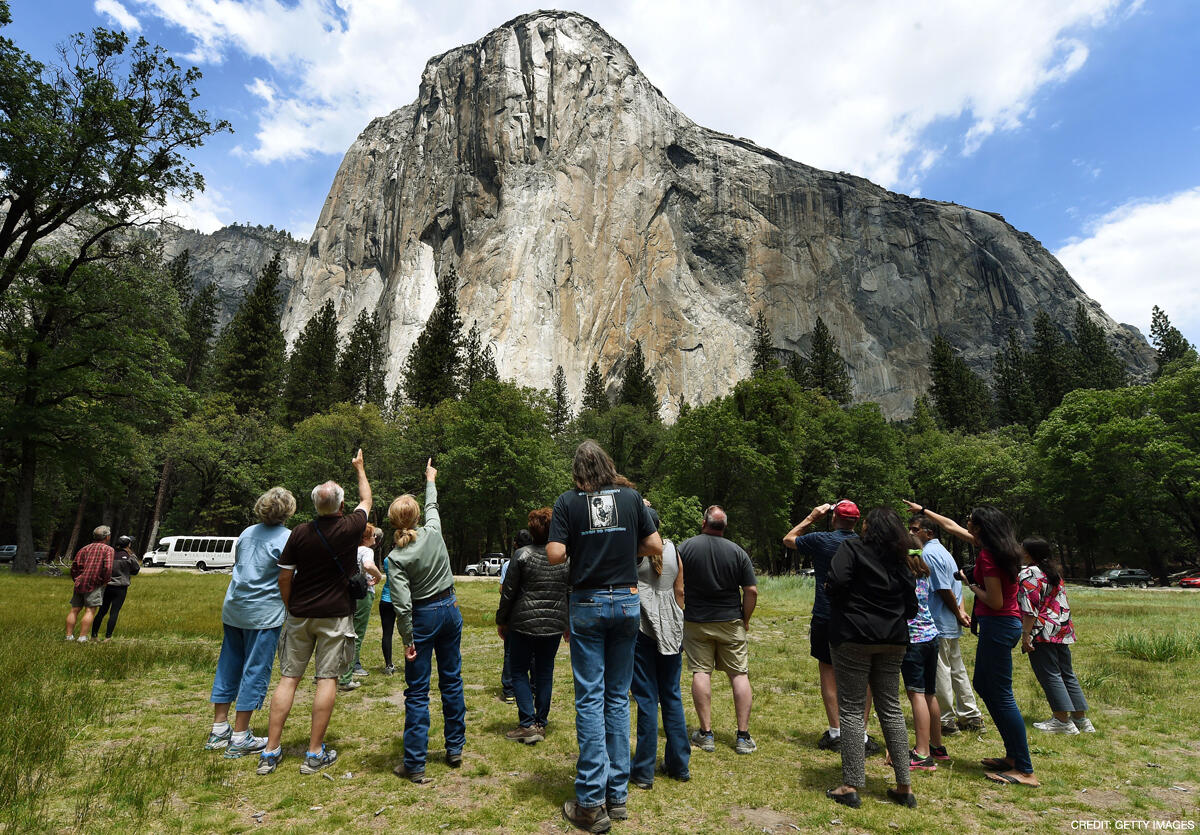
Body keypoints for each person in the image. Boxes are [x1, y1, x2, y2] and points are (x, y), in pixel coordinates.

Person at [548, 440, 661, 833]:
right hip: (626, 601)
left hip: (588, 602)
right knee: (617, 697)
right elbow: (655, 544)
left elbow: (555, 554)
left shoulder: (568, 502)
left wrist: (583, 544)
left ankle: (591, 803)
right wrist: (622, 546)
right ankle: (618, 796)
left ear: (578, 471)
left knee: (590, 699)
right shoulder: (631, 499)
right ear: (608, 466)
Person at [904, 501, 1038, 787]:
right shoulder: (1000, 547)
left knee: (1001, 695)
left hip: (999, 625)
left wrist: (969, 582)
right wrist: (924, 511)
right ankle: (1012, 757)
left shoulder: (989, 556)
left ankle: (1025, 769)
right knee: (984, 685)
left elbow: (996, 601)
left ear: (979, 527)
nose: (965, 523)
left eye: (970, 520)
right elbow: (950, 526)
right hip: (1000, 625)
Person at [257, 450, 372, 776]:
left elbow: (284, 577)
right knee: (326, 679)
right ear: (340, 505)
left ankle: (270, 751)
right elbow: (367, 498)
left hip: (300, 614)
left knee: (288, 679)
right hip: (335, 615)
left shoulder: (300, 533)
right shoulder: (350, 527)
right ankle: (314, 752)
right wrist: (360, 468)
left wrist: (290, 605)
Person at [824, 507, 918, 810]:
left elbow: (836, 582)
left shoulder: (851, 548)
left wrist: (847, 605)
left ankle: (850, 786)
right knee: (891, 707)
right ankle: (904, 787)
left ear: (868, 528)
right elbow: (912, 605)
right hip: (893, 638)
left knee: (852, 708)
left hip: (854, 635)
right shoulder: (900, 560)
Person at [387, 458, 466, 784]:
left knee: (418, 691)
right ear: (418, 517)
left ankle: (415, 763)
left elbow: (402, 606)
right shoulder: (433, 532)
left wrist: (408, 640)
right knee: (452, 680)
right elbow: (432, 503)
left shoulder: (395, 558)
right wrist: (430, 478)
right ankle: (455, 747)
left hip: (422, 617)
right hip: (450, 609)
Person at [207, 487, 297, 758]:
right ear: (289, 510)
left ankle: (218, 729)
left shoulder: (246, 533)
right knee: (255, 669)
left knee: (228, 664)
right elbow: (290, 576)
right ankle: (240, 735)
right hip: (263, 614)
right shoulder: (288, 538)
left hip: (235, 607)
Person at [783, 501, 878, 754]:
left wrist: (812, 517)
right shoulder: (867, 544)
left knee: (828, 671)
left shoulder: (821, 540)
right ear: (857, 521)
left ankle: (836, 732)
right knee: (864, 674)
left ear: (834, 518)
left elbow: (788, 539)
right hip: (859, 618)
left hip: (826, 615)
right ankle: (861, 734)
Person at [678, 506, 758, 755]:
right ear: (724, 527)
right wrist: (745, 619)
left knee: (701, 672)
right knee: (739, 675)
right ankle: (743, 736)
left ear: (704, 523)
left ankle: (706, 734)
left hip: (696, 621)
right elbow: (751, 591)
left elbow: (675, 585)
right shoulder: (737, 551)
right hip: (730, 621)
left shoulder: (685, 548)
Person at [629, 504, 690, 789]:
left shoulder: (633, 553)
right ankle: (679, 765)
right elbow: (680, 592)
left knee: (646, 699)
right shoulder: (673, 549)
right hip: (671, 629)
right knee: (672, 696)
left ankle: (643, 771)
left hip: (642, 629)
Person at [496, 510, 567, 744]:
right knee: (545, 672)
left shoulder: (521, 555)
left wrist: (501, 620)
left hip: (522, 623)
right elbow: (569, 591)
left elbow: (508, 592)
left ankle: (527, 723)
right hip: (554, 624)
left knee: (518, 671)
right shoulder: (564, 557)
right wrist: (567, 622)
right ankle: (540, 723)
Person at [909, 514, 983, 736]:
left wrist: (959, 613)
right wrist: (960, 611)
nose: (911, 533)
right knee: (956, 669)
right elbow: (955, 584)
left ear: (929, 533)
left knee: (940, 671)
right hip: (948, 620)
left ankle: (945, 720)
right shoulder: (944, 552)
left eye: (915, 529)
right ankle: (971, 715)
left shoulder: (928, 554)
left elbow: (943, 588)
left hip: (938, 621)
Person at [1019, 538, 1094, 734]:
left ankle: (1061, 721)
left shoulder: (1028, 574)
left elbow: (1029, 608)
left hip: (1042, 630)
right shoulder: (1053, 573)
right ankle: (1081, 720)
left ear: (1028, 553)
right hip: (1061, 628)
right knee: (1067, 674)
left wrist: (1026, 635)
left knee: (1050, 674)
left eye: (1021, 548)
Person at [901, 541, 944, 770]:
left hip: (914, 641)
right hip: (931, 637)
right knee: (929, 693)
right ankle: (937, 746)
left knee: (916, 694)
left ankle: (922, 753)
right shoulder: (923, 574)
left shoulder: (904, 577)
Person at [338, 523, 384, 692]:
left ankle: (323, 675)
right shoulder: (366, 551)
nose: (375, 538)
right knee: (356, 635)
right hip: (362, 594)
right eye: (372, 535)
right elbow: (368, 566)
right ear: (365, 538)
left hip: (346, 594)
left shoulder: (348, 550)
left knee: (340, 633)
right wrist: (378, 576)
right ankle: (346, 678)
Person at [499, 530, 532, 704]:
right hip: (533, 614)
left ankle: (509, 690)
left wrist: (501, 619)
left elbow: (503, 590)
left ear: (515, 544)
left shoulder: (509, 563)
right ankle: (533, 688)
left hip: (514, 614)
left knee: (510, 653)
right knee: (533, 654)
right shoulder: (539, 559)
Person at [65, 526, 114, 643]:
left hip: (80, 582)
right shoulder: (108, 550)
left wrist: (77, 579)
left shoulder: (84, 548)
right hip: (95, 583)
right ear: (107, 537)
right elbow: (108, 568)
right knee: (90, 610)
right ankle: (82, 637)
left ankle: (69, 636)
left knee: (74, 609)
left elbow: (74, 566)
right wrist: (105, 580)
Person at [90, 535, 140, 641]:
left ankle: (94, 635)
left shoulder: (110, 553)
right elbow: (136, 570)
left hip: (107, 586)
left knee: (102, 611)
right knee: (114, 612)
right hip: (121, 587)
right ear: (128, 545)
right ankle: (108, 637)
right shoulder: (129, 556)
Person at [378, 528, 398, 675]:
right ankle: (412, 661)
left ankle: (388, 665)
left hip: (386, 599)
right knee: (409, 632)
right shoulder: (408, 559)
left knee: (387, 633)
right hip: (402, 600)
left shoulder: (387, 560)